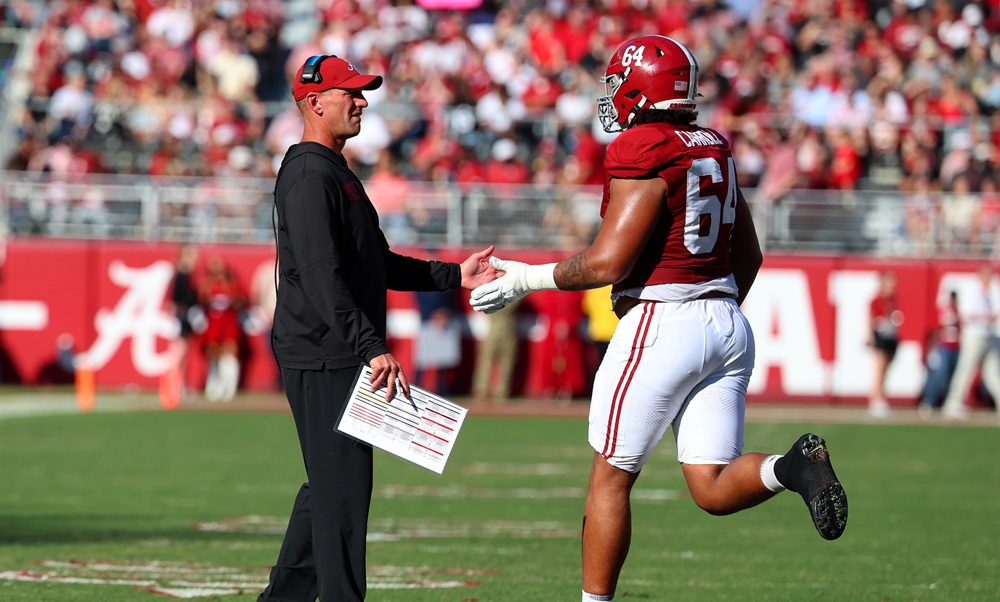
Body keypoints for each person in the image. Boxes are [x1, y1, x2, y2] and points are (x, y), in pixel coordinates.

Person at [469, 36, 848, 602]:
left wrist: (524, 278)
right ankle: (792, 467)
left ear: (640, 87)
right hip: (726, 321)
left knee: (610, 478)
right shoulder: (714, 144)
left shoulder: (643, 146)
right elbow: (751, 256)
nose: (611, 93)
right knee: (711, 486)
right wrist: (710, 310)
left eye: (618, 81)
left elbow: (607, 262)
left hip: (664, 321)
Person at [260, 54, 499, 602]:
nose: (363, 101)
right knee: (342, 492)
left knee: (329, 488)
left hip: (334, 351)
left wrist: (454, 275)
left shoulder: (334, 171)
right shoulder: (308, 174)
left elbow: (376, 263)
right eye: (351, 93)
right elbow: (322, 276)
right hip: (324, 354)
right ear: (315, 102)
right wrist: (371, 347)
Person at [940, 265, 1000, 419]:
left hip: (987, 336)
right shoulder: (972, 292)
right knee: (965, 368)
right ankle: (953, 403)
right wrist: (986, 317)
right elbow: (965, 316)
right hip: (974, 336)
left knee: (992, 372)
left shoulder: (989, 294)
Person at [198, 254, 246, 402]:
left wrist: (234, 299)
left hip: (228, 324)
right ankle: (213, 387)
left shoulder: (232, 284)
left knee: (229, 355)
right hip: (213, 325)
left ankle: (229, 387)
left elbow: (241, 300)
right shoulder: (206, 283)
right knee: (213, 356)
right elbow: (201, 299)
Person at [867, 270, 904, 418]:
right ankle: (875, 398)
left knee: (886, 368)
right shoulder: (877, 300)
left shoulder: (893, 300)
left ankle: (881, 396)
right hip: (880, 335)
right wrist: (871, 337)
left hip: (890, 336)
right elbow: (871, 319)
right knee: (879, 366)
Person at [919, 290, 960, 415]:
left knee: (952, 377)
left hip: (955, 348)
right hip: (943, 347)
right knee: (939, 375)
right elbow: (932, 329)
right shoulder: (941, 311)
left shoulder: (957, 311)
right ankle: (929, 400)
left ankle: (947, 402)